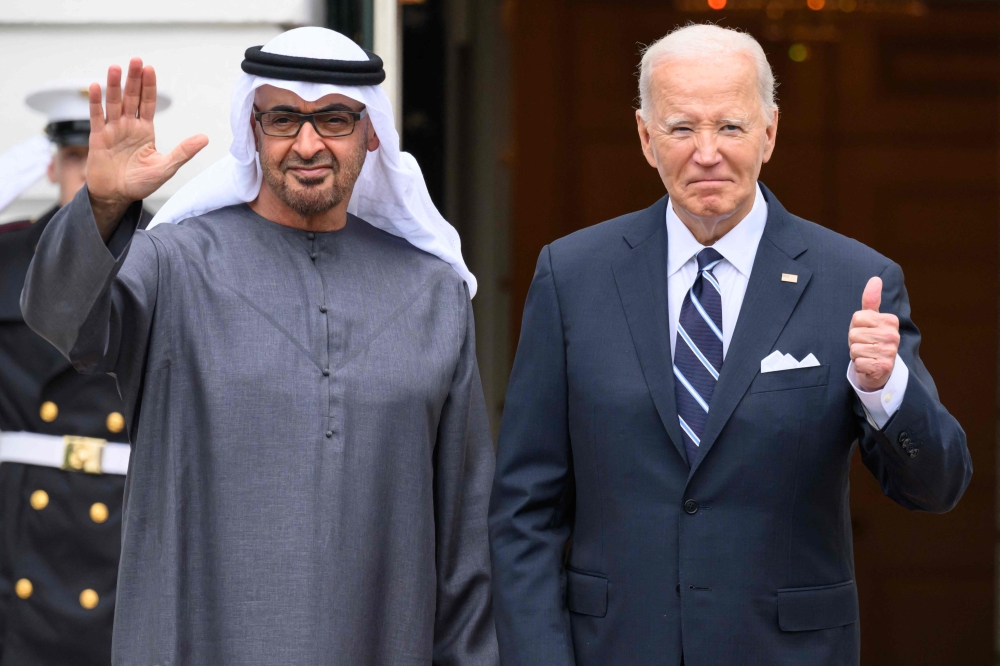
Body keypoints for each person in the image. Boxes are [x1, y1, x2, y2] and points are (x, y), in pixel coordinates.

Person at [488, 23, 971, 666]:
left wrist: (885, 390)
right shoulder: (571, 277)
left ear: (770, 133)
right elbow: (526, 510)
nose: (707, 152)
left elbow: (937, 486)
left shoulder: (854, 282)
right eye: (682, 128)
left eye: (732, 128)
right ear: (645, 137)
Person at [22, 28, 497, 666]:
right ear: (253, 129)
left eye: (334, 119)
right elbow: (63, 320)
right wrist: (104, 204)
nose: (308, 143)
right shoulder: (172, 265)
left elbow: (464, 532)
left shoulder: (433, 291)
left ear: (371, 131)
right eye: (284, 119)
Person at [0, 81, 164, 665]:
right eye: (77, 157)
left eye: (103, 154)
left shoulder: (167, 263)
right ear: (53, 163)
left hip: (122, 520)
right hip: (20, 532)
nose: (90, 173)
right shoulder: (5, 257)